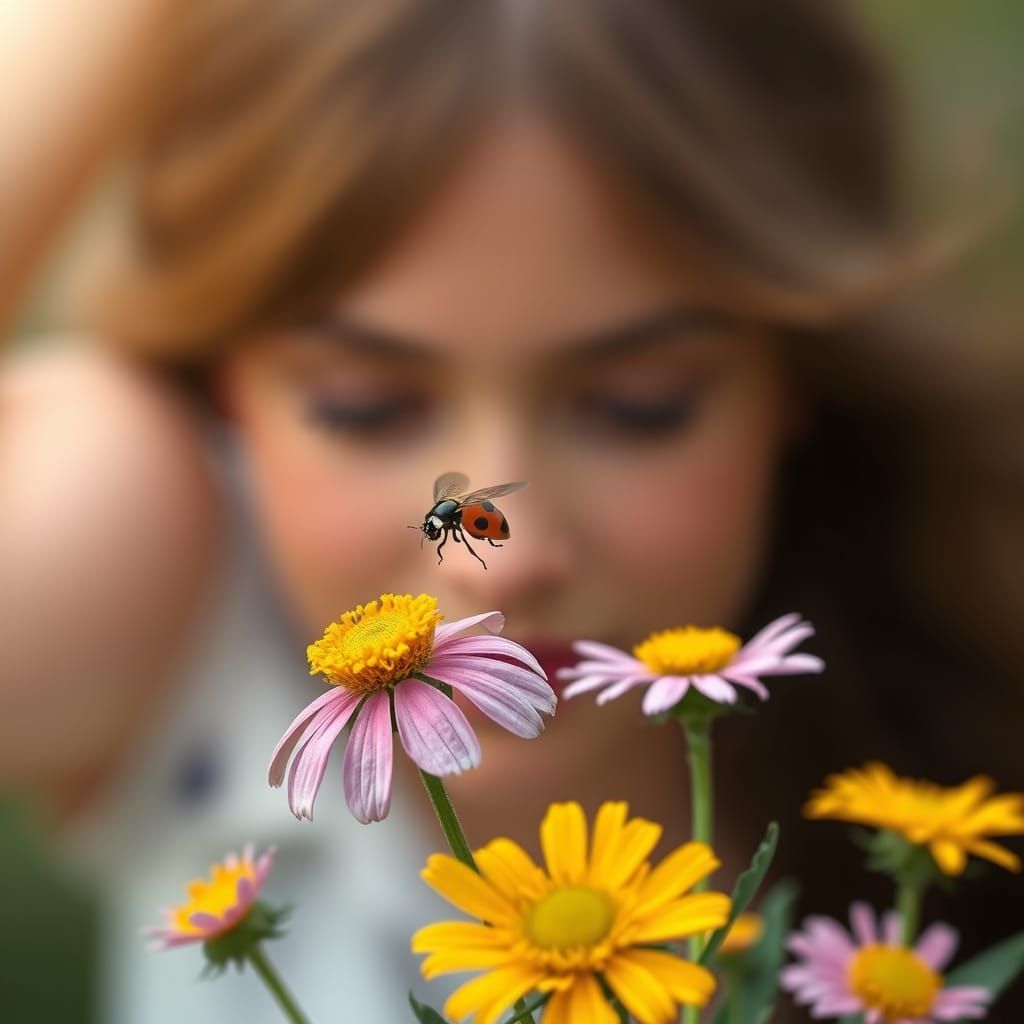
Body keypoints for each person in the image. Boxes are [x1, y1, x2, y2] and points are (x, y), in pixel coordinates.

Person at [2, 0, 1022, 1020]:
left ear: (794, 373)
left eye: (641, 404)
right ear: (228, 387)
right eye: (367, 406)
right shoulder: (181, 601)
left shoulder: (971, 674)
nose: (507, 556)